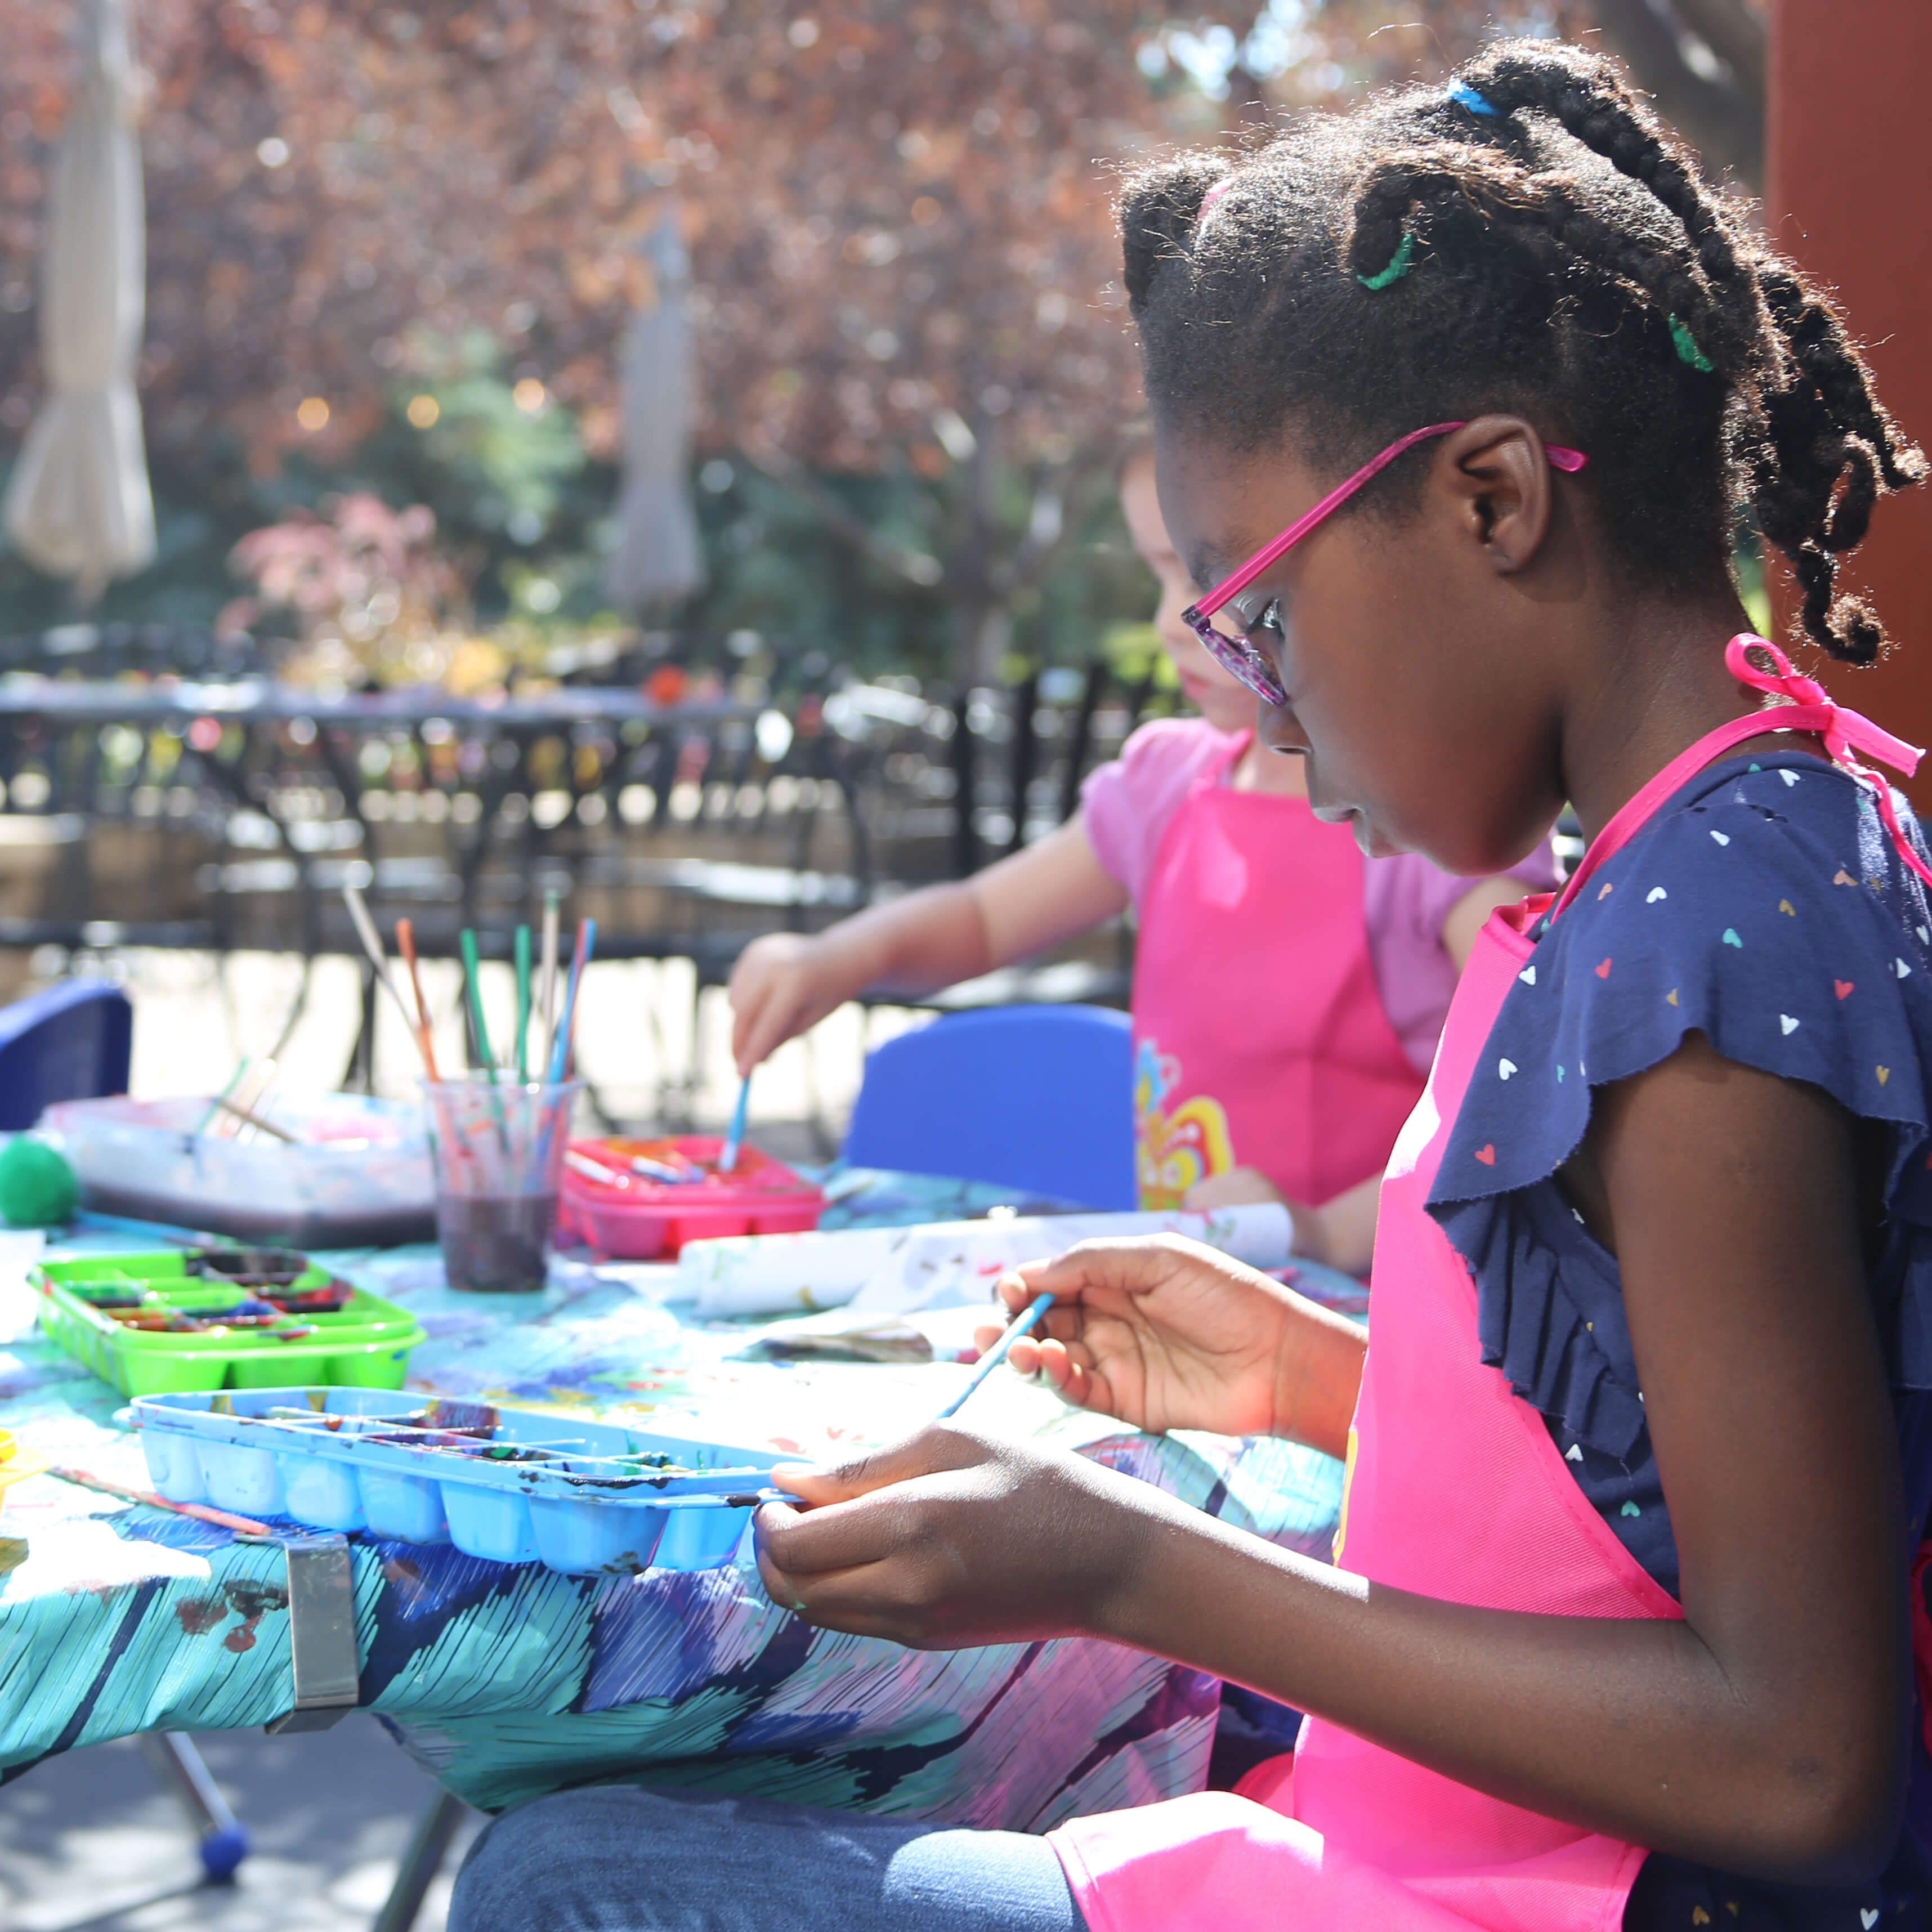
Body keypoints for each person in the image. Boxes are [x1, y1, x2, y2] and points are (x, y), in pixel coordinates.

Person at [449, 39, 1932, 1932]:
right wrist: (1313, 1378)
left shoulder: (1704, 942)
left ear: (1490, 500)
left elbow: (1800, 1762)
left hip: (1518, 1903)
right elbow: (1666, 1475)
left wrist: (1132, 1571)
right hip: (1424, 1849)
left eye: (1266, 620)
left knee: (569, 1878)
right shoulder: (1720, 849)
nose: (1274, 725)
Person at [728, 445, 1551, 1273]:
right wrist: (839, 956)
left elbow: (1527, 1085)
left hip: (1362, 1312)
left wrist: (1329, 1233)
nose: (1167, 621)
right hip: (1189, 1299)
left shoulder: (1436, 820)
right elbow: (983, 920)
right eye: (1157, 576)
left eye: (1202, 575)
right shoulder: (1166, 783)